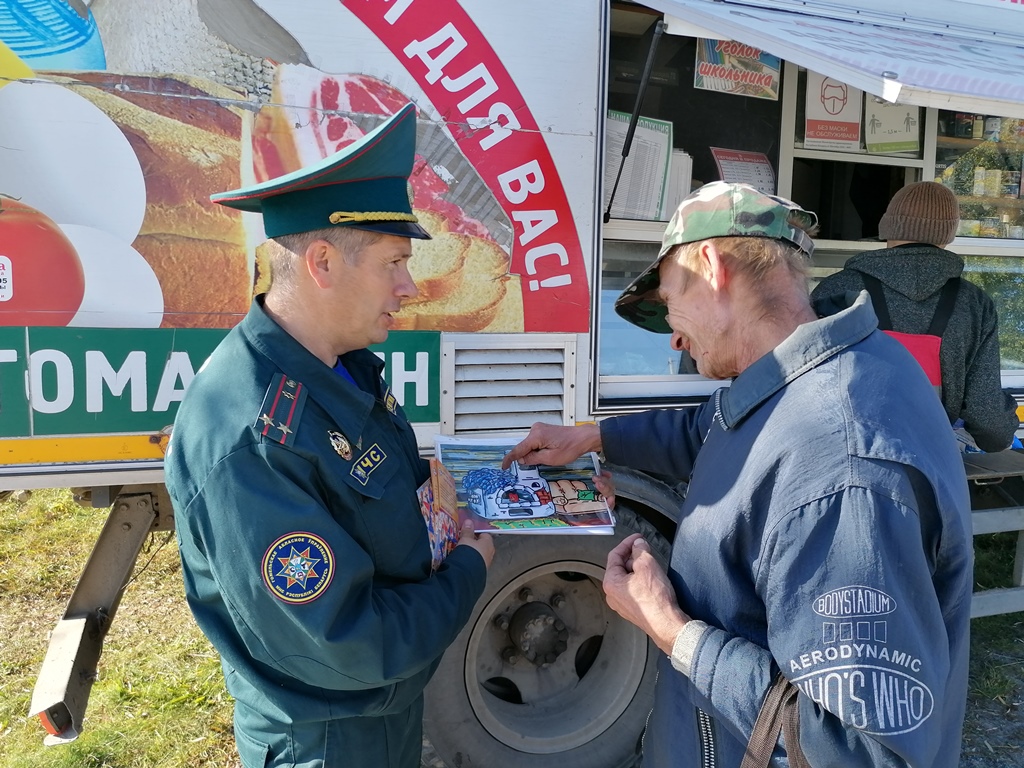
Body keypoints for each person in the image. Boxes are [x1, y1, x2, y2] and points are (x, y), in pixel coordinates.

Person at [504, 182, 973, 768]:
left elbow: (856, 751)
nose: (673, 336)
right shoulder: (822, 372)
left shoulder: (843, 473)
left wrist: (672, 630)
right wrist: (595, 438)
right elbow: (716, 425)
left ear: (710, 267)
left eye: (671, 304)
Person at [164, 103, 494, 768]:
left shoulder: (338, 366)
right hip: (328, 741)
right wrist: (469, 567)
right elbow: (351, 643)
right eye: (394, 263)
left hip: (378, 714)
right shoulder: (256, 436)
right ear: (321, 262)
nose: (409, 288)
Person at [812, 180, 1018, 452]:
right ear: (948, 234)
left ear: (887, 225)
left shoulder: (835, 291)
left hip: (841, 454)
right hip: (929, 465)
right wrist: (1003, 436)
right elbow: (987, 418)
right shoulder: (974, 304)